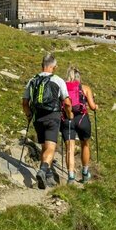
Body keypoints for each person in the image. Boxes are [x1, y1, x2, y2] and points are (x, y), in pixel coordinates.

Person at [22, 53, 72, 189]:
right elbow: (67, 102)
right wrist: (69, 115)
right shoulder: (58, 80)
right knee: (51, 147)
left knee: (44, 145)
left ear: (42, 65)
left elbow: (25, 102)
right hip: (52, 117)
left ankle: (47, 175)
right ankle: (43, 170)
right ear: (54, 67)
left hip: (37, 118)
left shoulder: (32, 80)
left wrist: (28, 115)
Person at [61, 66, 98, 184]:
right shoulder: (85, 88)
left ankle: (71, 177)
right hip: (82, 119)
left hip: (67, 118)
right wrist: (96, 106)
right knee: (85, 144)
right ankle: (85, 173)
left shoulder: (62, 87)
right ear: (79, 76)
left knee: (69, 148)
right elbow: (92, 107)